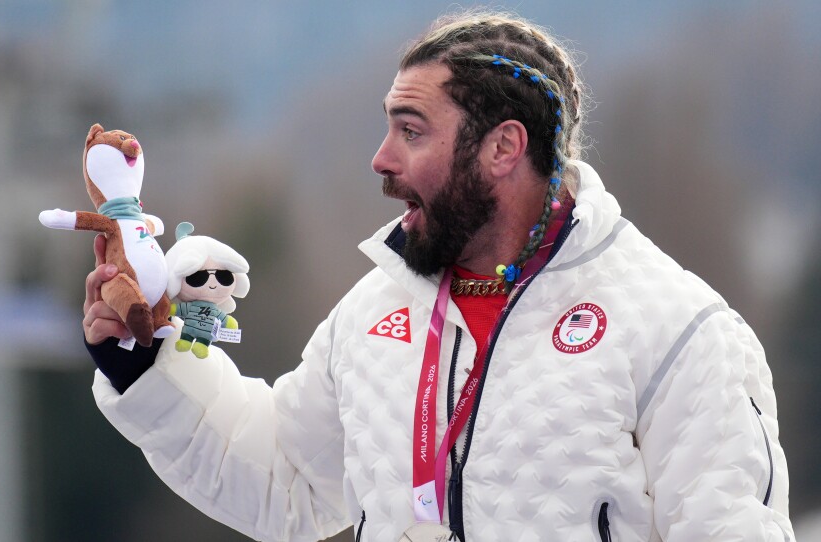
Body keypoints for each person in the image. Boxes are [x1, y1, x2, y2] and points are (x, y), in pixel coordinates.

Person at [83, 10, 795, 541]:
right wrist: (145, 365)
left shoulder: (675, 329)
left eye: (411, 130)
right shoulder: (372, 313)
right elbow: (283, 479)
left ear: (503, 148)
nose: (381, 159)